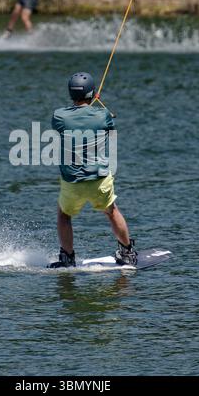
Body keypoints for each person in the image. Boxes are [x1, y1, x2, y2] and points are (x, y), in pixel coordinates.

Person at [49, 72, 137, 268]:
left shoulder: (59, 116)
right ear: (92, 93)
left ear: (71, 94)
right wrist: (96, 104)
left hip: (72, 182)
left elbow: (62, 123)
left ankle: (67, 257)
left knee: (64, 214)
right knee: (112, 211)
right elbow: (109, 127)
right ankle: (127, 252)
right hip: (99, 179)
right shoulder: (103, 115)